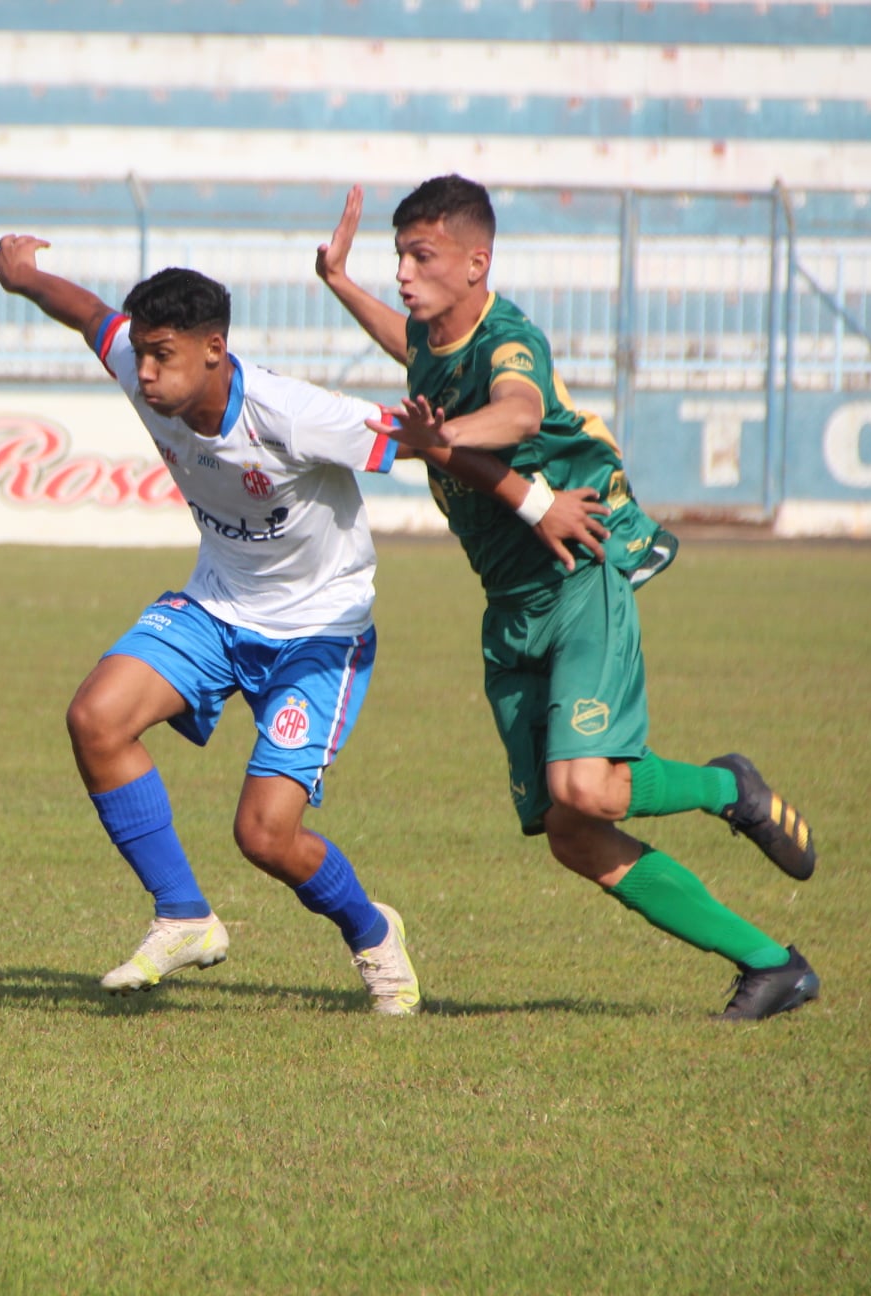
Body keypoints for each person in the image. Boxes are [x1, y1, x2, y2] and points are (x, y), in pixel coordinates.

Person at [0, 235, 610, 1014]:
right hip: (217, 608)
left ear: (215, 349)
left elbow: (433, 449)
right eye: (140, 356)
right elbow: (86, 314)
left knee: (265, 837)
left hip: (320, 635)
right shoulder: (138, 367)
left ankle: (374, 935)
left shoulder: (293, 414)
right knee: (95, 718)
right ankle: (183, 916)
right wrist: (26, 278)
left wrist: (535, 501)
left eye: (162, 356)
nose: (143, 373)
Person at [316, 177, 820, 1021]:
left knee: (585, 788)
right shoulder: (436, 340)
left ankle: (724, 789)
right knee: (572, 831)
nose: (403, 272)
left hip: (576, 579)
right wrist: (339, 284)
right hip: (509, 609)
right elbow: (408, 345)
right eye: (397, 255)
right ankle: (773, 965)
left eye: (421, 256)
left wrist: (440, 439)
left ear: (478, 263)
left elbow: (518, 412)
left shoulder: (511, 338)